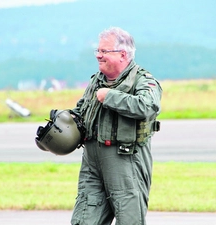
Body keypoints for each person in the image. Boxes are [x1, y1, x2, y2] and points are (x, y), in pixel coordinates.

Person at [70, 26, 163, 225]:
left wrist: (110, 97)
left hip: (125, 161)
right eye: (98, 51)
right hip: (92, 163)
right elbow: (81, 111)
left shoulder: (143, 80)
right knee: (84, 219)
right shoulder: (96, 81)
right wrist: (64, 122)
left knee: (129, 219)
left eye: (104, 51)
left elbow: (148, 106)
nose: (98, 55)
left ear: (122, 54)